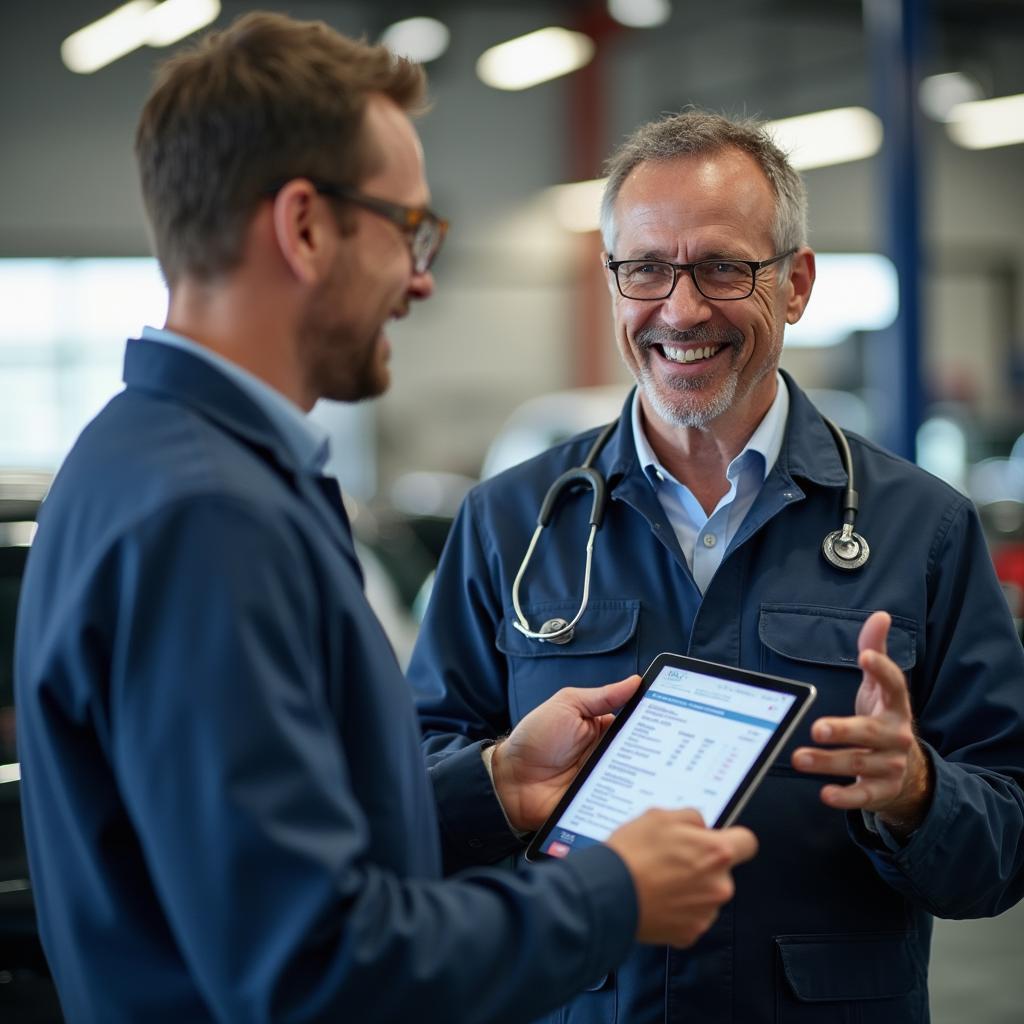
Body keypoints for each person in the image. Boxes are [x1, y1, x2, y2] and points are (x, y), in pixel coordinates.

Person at [13, 19, 759, 1024]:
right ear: (306, 227)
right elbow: (315, 964)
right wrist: (610, 893)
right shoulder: (208, 518)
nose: (420, 278)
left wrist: (490, 788)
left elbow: (273, 860)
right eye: (408, 228)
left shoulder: (139, 455)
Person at [409, 109, 1024, 1023]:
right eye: (647, 268)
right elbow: (409, 799)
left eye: (724, 267)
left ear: (797, 283)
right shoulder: (512, 524)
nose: (681, 309)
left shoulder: (922, 528)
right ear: (613, 283)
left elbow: (1007, 837)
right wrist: (501, 781)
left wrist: (918, 795)